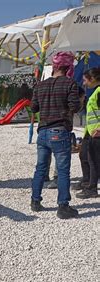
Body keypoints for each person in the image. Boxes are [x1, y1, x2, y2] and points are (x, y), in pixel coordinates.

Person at [30, 51, 81, 219]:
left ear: (54, 66)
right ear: (67, 68)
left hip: (43, 131)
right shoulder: (70, 84)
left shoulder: (40, 85)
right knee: (63, 170)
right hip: (60, 130)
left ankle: (35, 201)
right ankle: (63, 206)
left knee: (40, 169)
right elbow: (74, 107)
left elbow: (34, 108)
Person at [76, 67, 100, 199]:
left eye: (85, 80)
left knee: (94, 161)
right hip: (89, 132)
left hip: (97, 133)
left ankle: (92, 188)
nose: (84, 83)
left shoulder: (99, 92)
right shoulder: (95, 91)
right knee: (84, 156)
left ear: (93, 79)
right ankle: (87, 181)